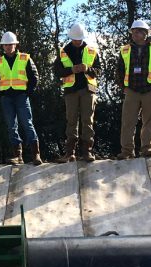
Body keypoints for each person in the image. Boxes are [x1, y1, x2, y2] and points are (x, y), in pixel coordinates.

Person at [117, 20, 151, 160]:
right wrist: (124, 87)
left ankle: (147, 148)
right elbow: (119, 70)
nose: (135, 34)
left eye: (138, 31)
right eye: (133, 32)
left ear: (145, 33)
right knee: (128, 121)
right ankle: (127, 150)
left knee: (150, 120)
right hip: (132, 90)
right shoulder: (125, 50)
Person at [0, 31, 42, 165]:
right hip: (6, 97)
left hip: (21, 96)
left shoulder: (25, 58)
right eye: (5, 45)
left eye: (10, 44)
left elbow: (34, 77)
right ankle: (18, 155)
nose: (8, 47)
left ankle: (36, 155)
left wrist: (28, 92)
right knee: (11, 126)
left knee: (27, 124)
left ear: (15, 45)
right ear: (3, 46)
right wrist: (0, 95)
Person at [53, 23, 99, 163]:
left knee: (87, 120)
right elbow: (57, 71)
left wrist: (87, 69)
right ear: (71, 38)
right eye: (75, 39)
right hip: (71, 90)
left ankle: (87, 152)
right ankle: (69, 153)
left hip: (87, 90)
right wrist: (71, 70)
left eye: (79, 39)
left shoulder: (91, 51)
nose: (77, 42)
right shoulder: (63, 52)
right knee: (71, 120)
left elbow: (99, 71)